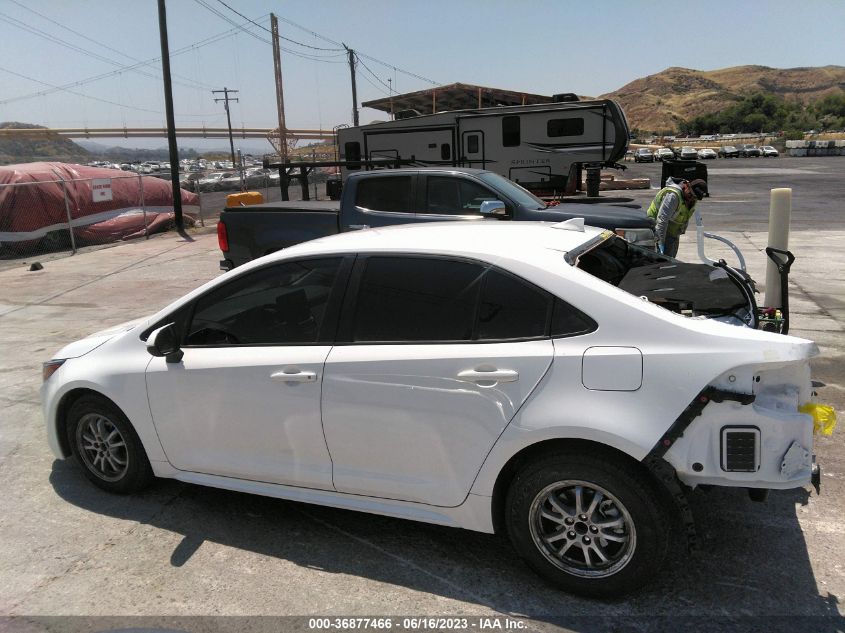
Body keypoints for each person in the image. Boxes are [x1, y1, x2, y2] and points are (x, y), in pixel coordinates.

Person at [647, 177, 708, 257]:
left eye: (695, 197)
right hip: (657, 229)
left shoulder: (692, 198)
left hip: (673, 233)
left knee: (671, 261)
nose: (691, 199)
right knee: (662, 263)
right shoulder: (673, 196)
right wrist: (659, 243)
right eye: (690, 195)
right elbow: (662, 220)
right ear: (686, 186)